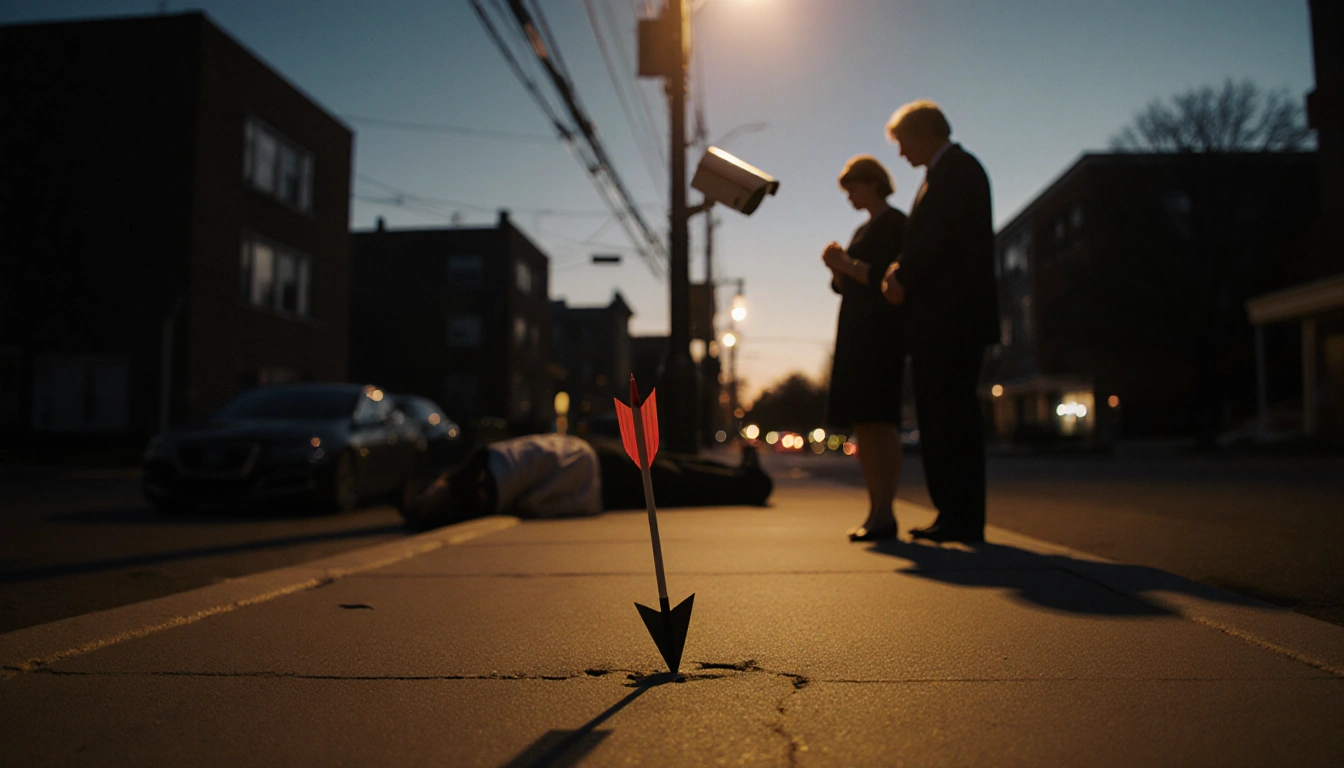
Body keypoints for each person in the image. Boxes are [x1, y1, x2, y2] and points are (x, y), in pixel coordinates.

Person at [880, 100, 999, 543]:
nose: (900, 152)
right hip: (942, 319)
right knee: (939, 414)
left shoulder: (959, 171)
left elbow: (942, 237)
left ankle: (962, 517)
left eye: (903, 141)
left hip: (954, 319)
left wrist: (901, 273)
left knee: (952, 416)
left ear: (926, 132)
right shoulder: (943, 174)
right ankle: (952, 512)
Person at [401, 433, 773, 531]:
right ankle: (745, 480)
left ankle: (745, 479)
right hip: (588, 465)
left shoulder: (476, 484)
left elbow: (530, 501)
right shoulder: (476, 473)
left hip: (588, 470)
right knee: (671, 471)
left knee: (672, 474)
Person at [821, 155, 908, 542]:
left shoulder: (895, 224)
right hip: (856, 334)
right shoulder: (863, 229)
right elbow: (849, 284)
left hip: (881, 334)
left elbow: (885, 277)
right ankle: (875, 510)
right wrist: (837, 269)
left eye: (852, 187)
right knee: (863, 423)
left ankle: (885, 513)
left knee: (881, 421)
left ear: (872, 183)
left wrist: (845, 262)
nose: (849, 196)